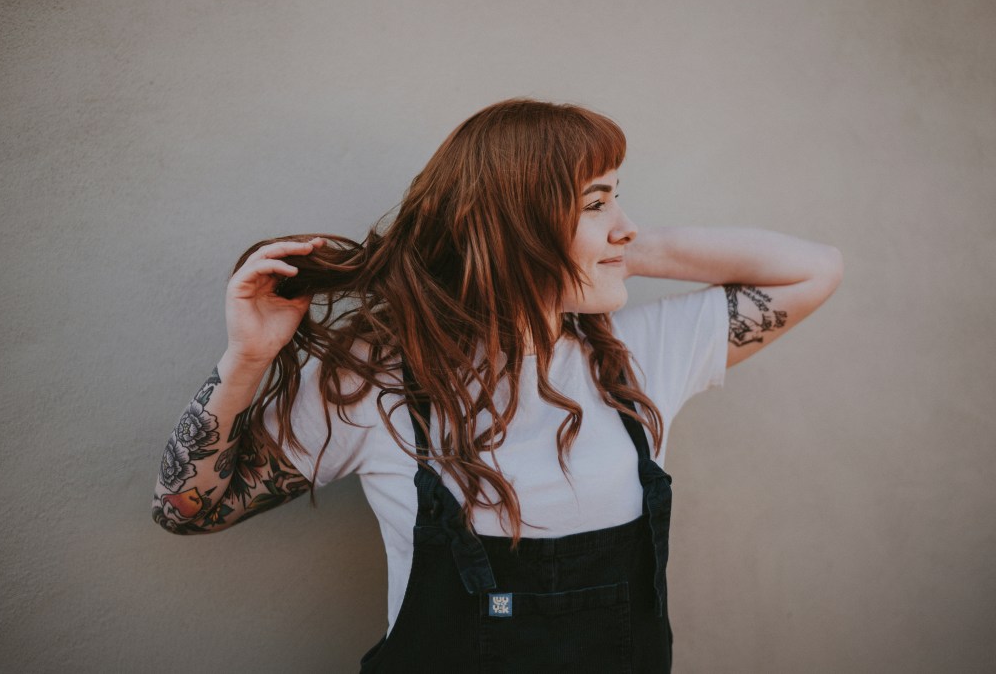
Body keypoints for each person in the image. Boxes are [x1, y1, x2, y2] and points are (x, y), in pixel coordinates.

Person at [152, 98, 843, 672]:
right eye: (596, 202)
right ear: (513, 229)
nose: (626, 225)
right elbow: (185, 509)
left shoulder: (639, 355)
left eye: (617, 198)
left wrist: (617, 249)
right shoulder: (373, 381)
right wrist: (247, 359)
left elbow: (817, 269)